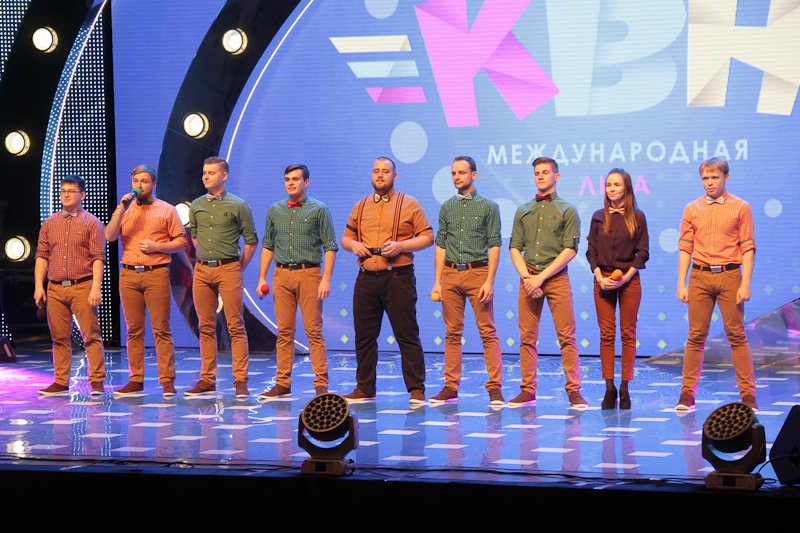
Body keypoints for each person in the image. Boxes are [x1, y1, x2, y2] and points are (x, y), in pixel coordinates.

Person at [341, 157, 434, 405]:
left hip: (397, 277)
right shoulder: (361, 205)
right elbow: (346, 237)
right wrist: (353, 246)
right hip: (366, 278)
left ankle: (416, 388)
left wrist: (401, 246)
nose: (380, 175)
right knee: (364, 336)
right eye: (376, 171)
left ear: (395, 176)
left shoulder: (409, 203)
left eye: (385, 171)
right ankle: (365, 388)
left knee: (406, 334)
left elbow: (428, 237)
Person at [676, 157, 757, 411]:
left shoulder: (741, 207)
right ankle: (687, 394)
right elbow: (685, 248)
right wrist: (681, 283)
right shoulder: (692, 208)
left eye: (715, 177)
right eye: (705, 178)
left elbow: (748, 247)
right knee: (695, 336)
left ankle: (748, 396)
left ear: (726, 177)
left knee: (737, 335)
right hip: (699, 276)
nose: (710, 182)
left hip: (729, 275)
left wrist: (745, 283)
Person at [509, 157, 587, 408]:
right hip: (528, 278)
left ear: (557, 176)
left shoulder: (567, 210)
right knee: (527, 337)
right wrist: (527, 278)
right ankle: (527, 390)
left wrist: (540, 278)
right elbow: (514, 248)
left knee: (567, 336)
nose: (541, 176)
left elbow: (570, 250)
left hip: (555, 278)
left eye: (545, 172)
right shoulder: (523, 210)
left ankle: (574, 390)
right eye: (537, 173)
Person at [104, 164, 187, 398]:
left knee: (161, 329)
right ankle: (136, 379)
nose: (139, 185)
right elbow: (109, 236)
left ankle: (167, 381)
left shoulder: (167, 209)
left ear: (153, 184)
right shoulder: (124, 209)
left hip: (156, 272)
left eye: (144, 181)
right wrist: (120, 209)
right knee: (134, 330)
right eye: (136, 181)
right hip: (129, 274)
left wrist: (157, 246)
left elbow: (181, 242)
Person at [256, 164, 338, 399]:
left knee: (313, 330)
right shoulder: (275, 210)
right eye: (287, 179)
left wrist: (326, 279)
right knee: (284, 331)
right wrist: (262, 277)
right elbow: (268, 245)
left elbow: (330, 246)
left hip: (309, 273)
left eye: (295, 179)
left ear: (306, 182)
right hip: (281, 274)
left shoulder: (319, 209)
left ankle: (321, 384)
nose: (290, 183)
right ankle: (282, 383)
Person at [430, 156, 504, 405]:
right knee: (452, 333)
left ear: (474, 175)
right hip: (450, 274)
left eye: (461, 172)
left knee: (487, 331)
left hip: (478, 273)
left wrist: (490, 281)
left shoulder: (488, 207)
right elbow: (441, 245)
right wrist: (437, 282)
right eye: (453, 173)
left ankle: (495, 387)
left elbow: (494, 244)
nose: (456, 177)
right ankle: (450, 386)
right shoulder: (446, 207)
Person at [186, 156, 258, 398]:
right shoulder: (197, 205)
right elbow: (194, 236)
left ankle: (240, 380)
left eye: (211, 173)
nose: (206, 176)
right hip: (202, 270)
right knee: (205, 326)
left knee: (235, 325)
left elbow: (251, 241)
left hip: (228, 268)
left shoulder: (238, 205)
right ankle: (207, 379)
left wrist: (239, 267)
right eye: (204, 173)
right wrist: (203, 257)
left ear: (224, 176)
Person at [34, 175, 106, 396]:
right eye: (63, 190)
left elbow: (98, 258)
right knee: (59, 338)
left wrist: (96, 287)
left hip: (82, 285)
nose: (65, 194)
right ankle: (60, 382)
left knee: (91, 335)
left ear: (82, 195)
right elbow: (42, 256)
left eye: (71, 191)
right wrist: (39, 286)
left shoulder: (92, 222)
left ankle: (96, 381)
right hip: (55, 287)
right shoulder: (50, 223)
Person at [586, 168, 649, 410]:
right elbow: (591, 251)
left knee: (628, 333)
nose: (611, 189)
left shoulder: (638, 217)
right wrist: (598, 276)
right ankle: (609, 388)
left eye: (616, 185)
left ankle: (625, 387)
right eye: (608, 185)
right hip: (602, 280)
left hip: (628, 280)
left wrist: (625, 278)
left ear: (627, 188)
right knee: (606, 334)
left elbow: (642, 253)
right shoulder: (598, 216)